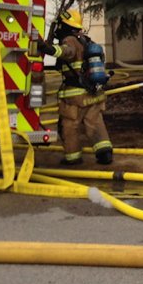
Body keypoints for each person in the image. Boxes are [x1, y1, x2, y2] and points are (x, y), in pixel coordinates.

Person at [39, 9, 113, 167]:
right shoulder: (86, 40)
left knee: (69, 125)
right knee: (95, 123)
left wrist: (48, 49)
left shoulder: (70, 40)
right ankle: (104, 153)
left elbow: (66, 52)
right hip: (94, 92)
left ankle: (73, 158)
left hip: (75, 97)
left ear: (65, 25)